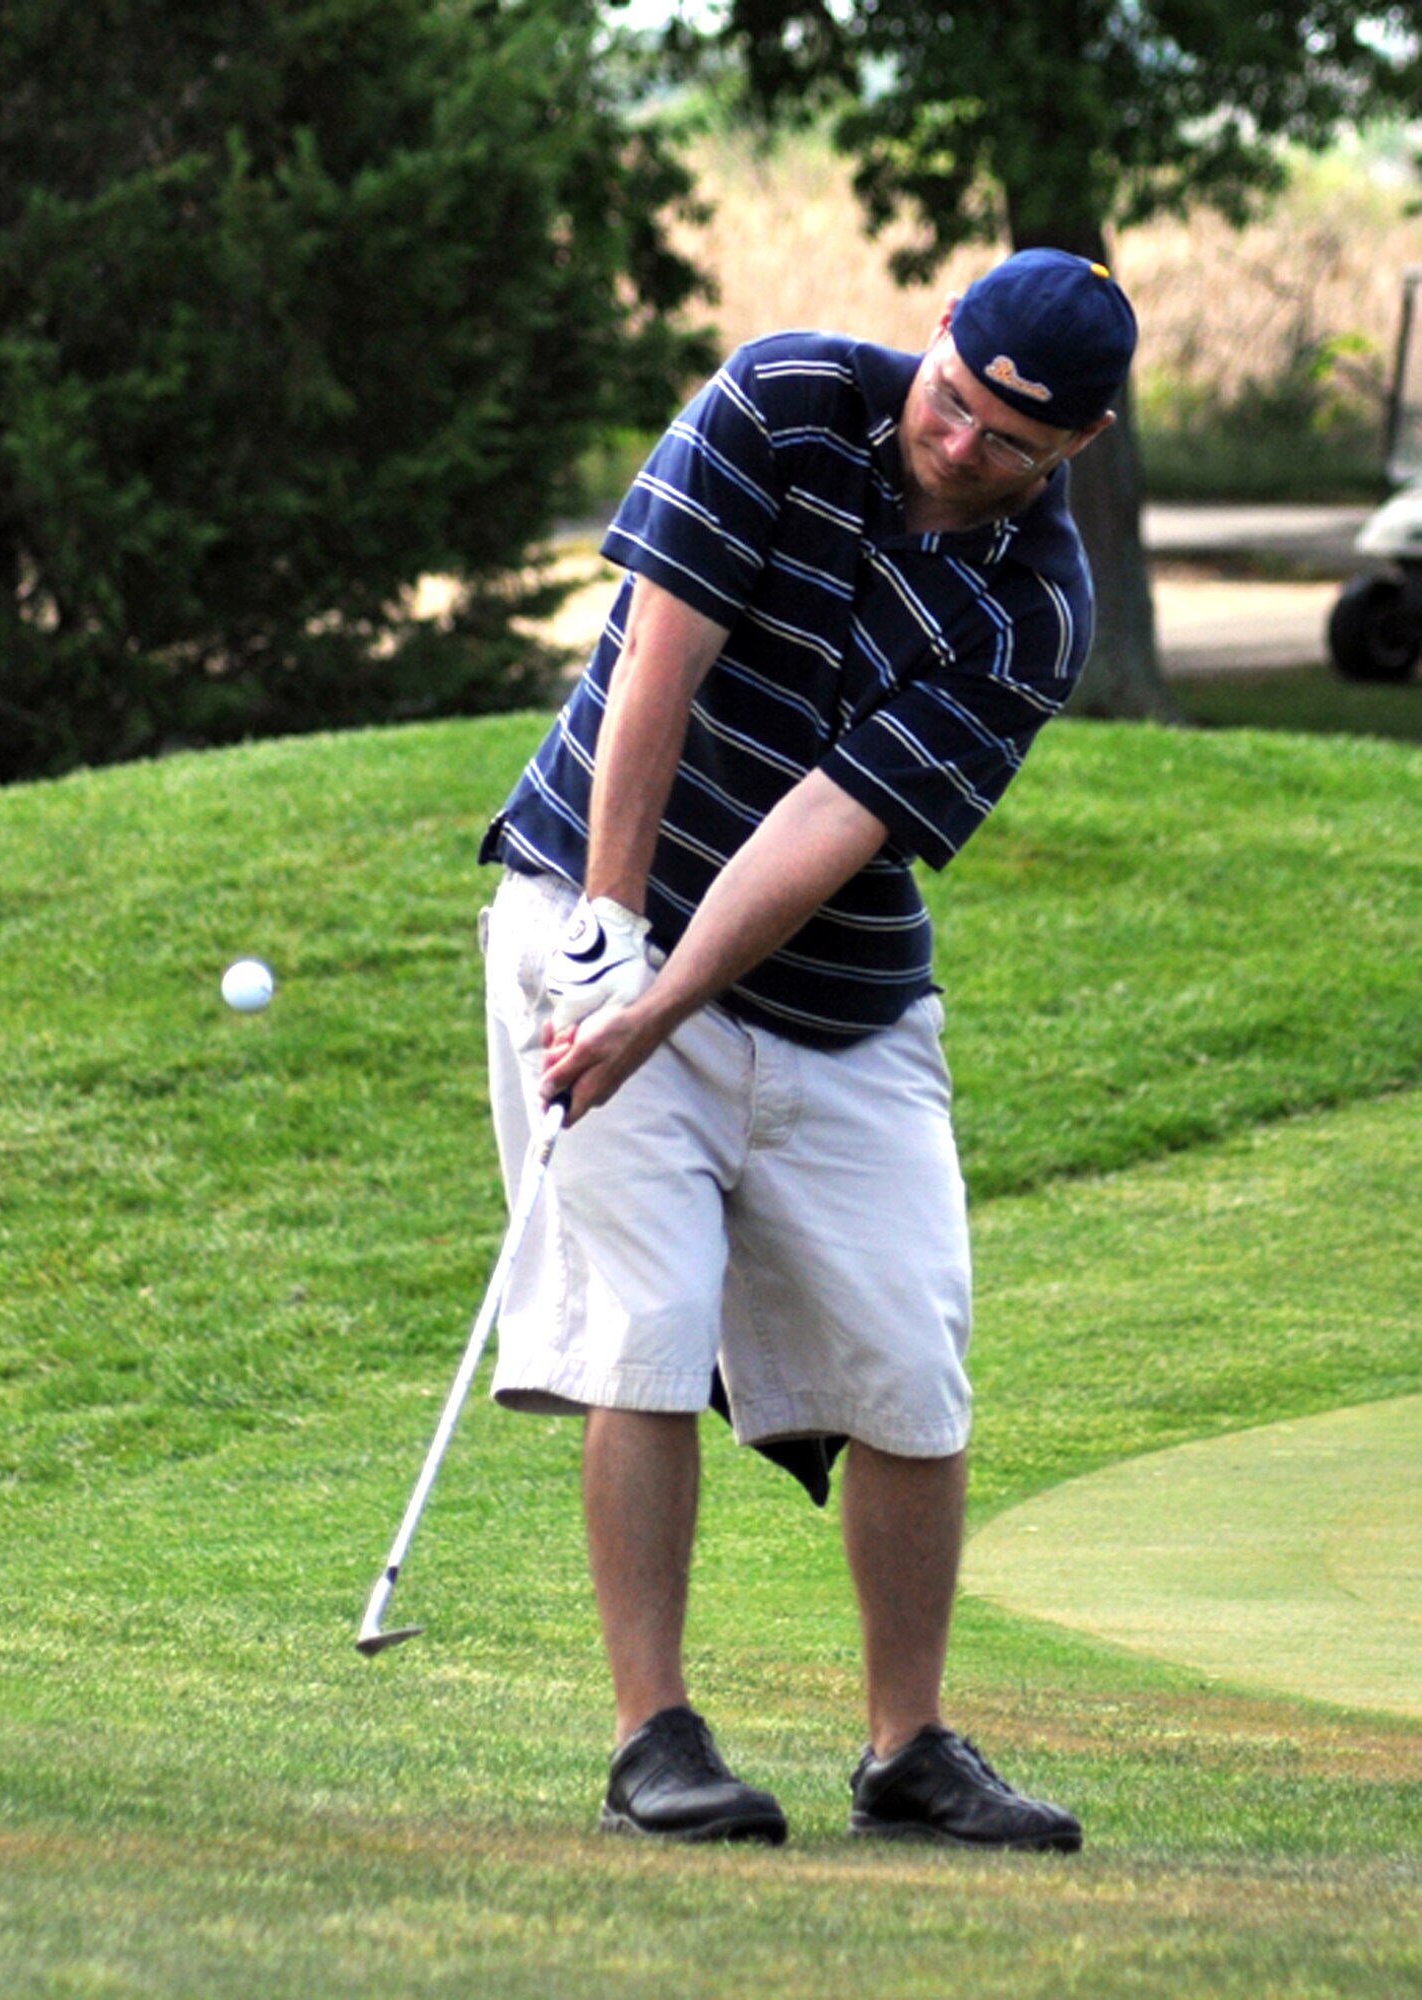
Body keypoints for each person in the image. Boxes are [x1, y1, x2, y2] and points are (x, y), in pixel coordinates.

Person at [477, 248, 1136, 1850]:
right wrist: (610, 940)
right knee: (642, 1324)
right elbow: (659, 662)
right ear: (938, 342)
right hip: (590, 903)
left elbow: (828, 822)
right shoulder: (782, 402)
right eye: (956, 401)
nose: (962, 446)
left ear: (1079, 451)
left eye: (1011, 444)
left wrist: (670, 996)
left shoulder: (1038, 607)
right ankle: (657, 1738)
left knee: (910, 1359)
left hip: (829, 990)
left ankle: (907, 1750)